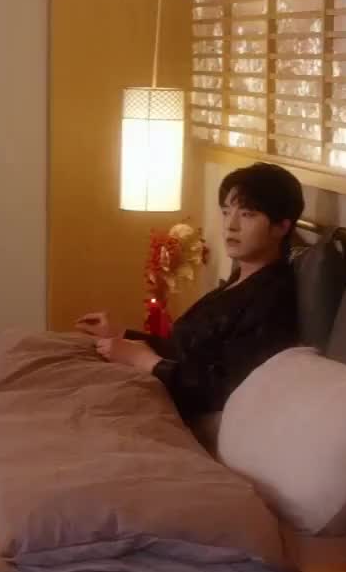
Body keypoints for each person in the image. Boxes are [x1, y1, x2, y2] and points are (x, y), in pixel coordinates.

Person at [76, 162, 304, 420]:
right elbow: (186, 350)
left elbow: (220, 389)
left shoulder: (272, 298)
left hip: (181, 413)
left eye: (247, 214)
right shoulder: (238, 280)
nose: (231, 225)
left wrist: (145, 362)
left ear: (281, 227)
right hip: (157, 389)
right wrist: (122, 335)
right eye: (226, 212)